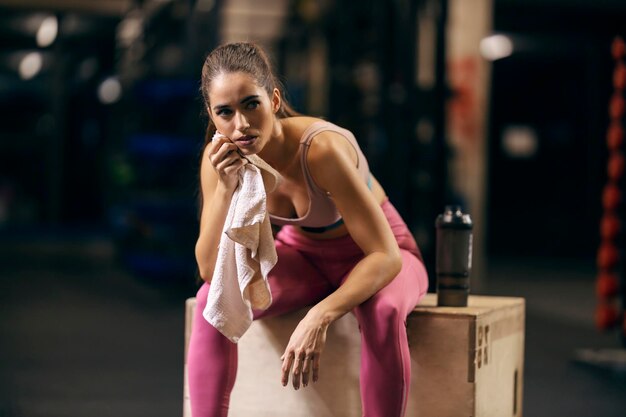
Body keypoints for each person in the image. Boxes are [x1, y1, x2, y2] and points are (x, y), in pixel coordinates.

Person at [188, 41, 429, 417]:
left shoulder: (320, 149)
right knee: (209, 302)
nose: (242, 125)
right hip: (305, 258)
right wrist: (223, 188)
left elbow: (385, 255)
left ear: (274, 99)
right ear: (211, 115)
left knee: (380, 313)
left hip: (379, 254)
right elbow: (208, 270)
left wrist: (319, 315)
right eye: (225, 112)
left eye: (251, 103)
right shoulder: (219, 160)